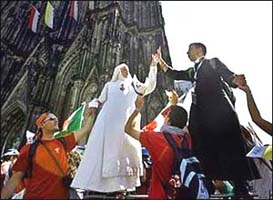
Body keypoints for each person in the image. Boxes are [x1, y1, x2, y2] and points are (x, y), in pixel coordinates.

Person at [155, 43, 260, 197]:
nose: (187, 53)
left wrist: (235, 80)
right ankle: (207, 183)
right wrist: (160, 61)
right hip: (201, 115)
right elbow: (176, 74)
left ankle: (240, 186)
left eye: (189, 50)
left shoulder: (212, 63)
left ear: (199, 50)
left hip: (219, 112)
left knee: (230, 146)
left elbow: (227, 75)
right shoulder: (193, 71)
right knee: (202, 148)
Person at [71, 56, 158, 196]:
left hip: (126, 123)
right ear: (117, 71)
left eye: (126, 69)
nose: (125, 71)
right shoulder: (109, 85)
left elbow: (149, 86)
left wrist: (153, 66)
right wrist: (93, 106)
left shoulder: (134, 85)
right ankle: (101, 185)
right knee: (104, 150)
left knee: (125, 152)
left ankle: (121, 187)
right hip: (108, 122)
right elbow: (99, 100)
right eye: (122, 69)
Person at [1, 109, 96, 199]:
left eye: (56, 119)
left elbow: (86, 129)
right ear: (42, 125)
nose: (56, 121)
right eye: (51, 119)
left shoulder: (63, 143)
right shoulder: (29, 149)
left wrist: (91, 112)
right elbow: (15, 179)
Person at [124, 91, 192, 199]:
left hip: (159, 194)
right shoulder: (187, 139)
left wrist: (137, 109)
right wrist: (175, 105)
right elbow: (181, 122)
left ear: (168, 121)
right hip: (184, 194)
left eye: (166, 116)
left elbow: (128, 129)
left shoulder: (157, 139)